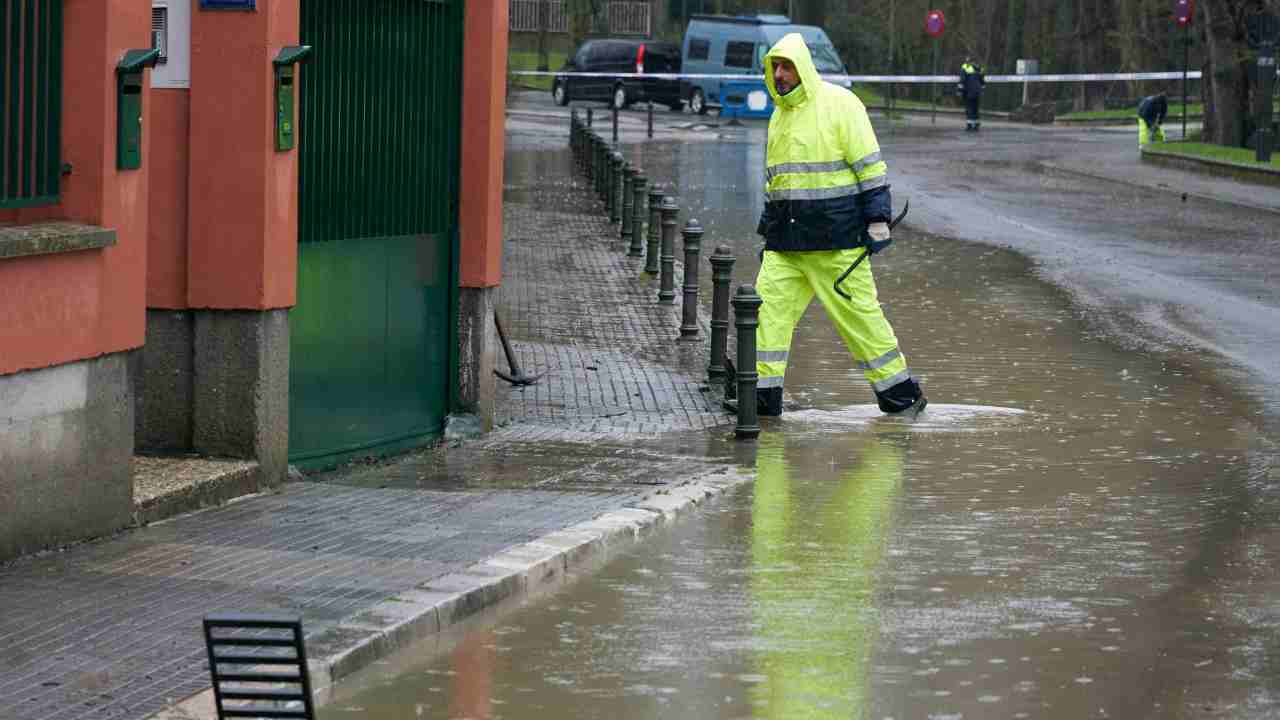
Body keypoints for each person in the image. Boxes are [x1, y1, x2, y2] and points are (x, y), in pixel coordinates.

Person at [744, 32, 926, 418]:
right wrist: (769, 233)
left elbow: (870, 168)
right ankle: (761, 398)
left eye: (786, 66)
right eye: (774, 66)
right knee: (765, 318)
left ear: (803, 68)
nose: (779, 74)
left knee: (862, 322)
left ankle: (901, 397)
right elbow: (776, 183)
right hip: (787, 246)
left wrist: (878, 220)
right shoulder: (779, 117)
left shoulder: (841, 105)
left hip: (837, 244)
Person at [957, 57, 985, 131]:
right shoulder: (980, 67)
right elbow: (982, 81)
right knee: (976, 108)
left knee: (969, 108)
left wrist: (959, 91)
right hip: (978, 92)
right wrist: (982, 90)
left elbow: (962, 80)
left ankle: (969, 125)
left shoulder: (965, 67)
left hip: (969, 91)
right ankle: (976, 125)